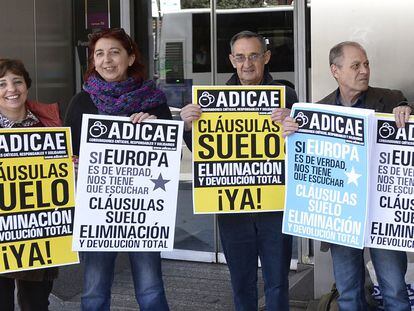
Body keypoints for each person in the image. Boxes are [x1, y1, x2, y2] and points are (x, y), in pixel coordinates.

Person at [281, 41, 412, 311]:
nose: (364, 70)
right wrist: (292, 134)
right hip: (340, 219)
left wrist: (406, 111)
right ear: (335, 71)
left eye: (366, 64)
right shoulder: (317, 110)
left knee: (395, 292)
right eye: (355, 65)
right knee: (349, 295)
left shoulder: (390, 99)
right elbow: (305, 165)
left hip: (381, 217)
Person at [180, 30, 297, 311]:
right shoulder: (211, 102)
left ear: (266, 57)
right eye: (241, 57)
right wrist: (187, 126)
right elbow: (203, 152)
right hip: (233, 207)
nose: (248, 64)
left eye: (254, 56)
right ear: (232, 60)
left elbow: (302, 145)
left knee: (278, 281)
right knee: (241, 281)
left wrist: (293, 122)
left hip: (275, 206)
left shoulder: (286, 94)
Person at [64, 28, 171, 311]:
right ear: (92, 61)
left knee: (150, 290)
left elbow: (168, 157)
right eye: (99, 54)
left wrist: (154, 128)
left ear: (131, 57)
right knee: (94, 292)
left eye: (114, 52)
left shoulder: (155, 103)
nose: (107, 60)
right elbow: (68, 157)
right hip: (97, 210)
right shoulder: (81, 102)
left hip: (142, 211)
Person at [0, 58, 61, 311]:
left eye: (17, 81)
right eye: (1, 84)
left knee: (36, 303)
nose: (11, 89)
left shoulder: (48, 123)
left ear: (27, 85)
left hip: (38, 230)